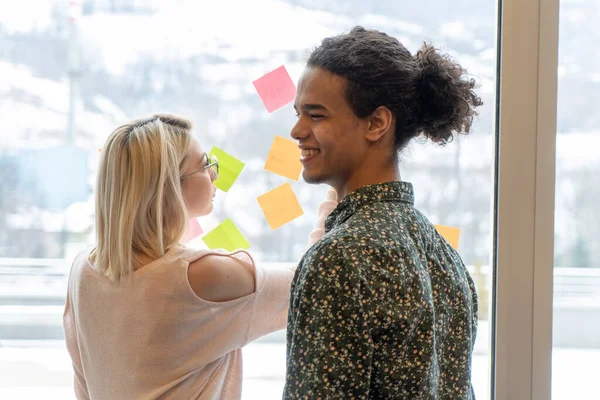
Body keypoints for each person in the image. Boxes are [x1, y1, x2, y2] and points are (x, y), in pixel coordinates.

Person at [62, 114, 335, 399]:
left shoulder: (83, 271)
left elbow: (83, 384)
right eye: (205, 165)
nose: (215, 174)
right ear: (168, 189)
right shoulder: (198, 277)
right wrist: (339, 188)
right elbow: (310, 282)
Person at [284, 26, 482, 399]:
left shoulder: (339, 258)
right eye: (298, 114)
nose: (297, 130)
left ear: (376, 123)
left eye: (316, 115)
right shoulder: (441, 252)